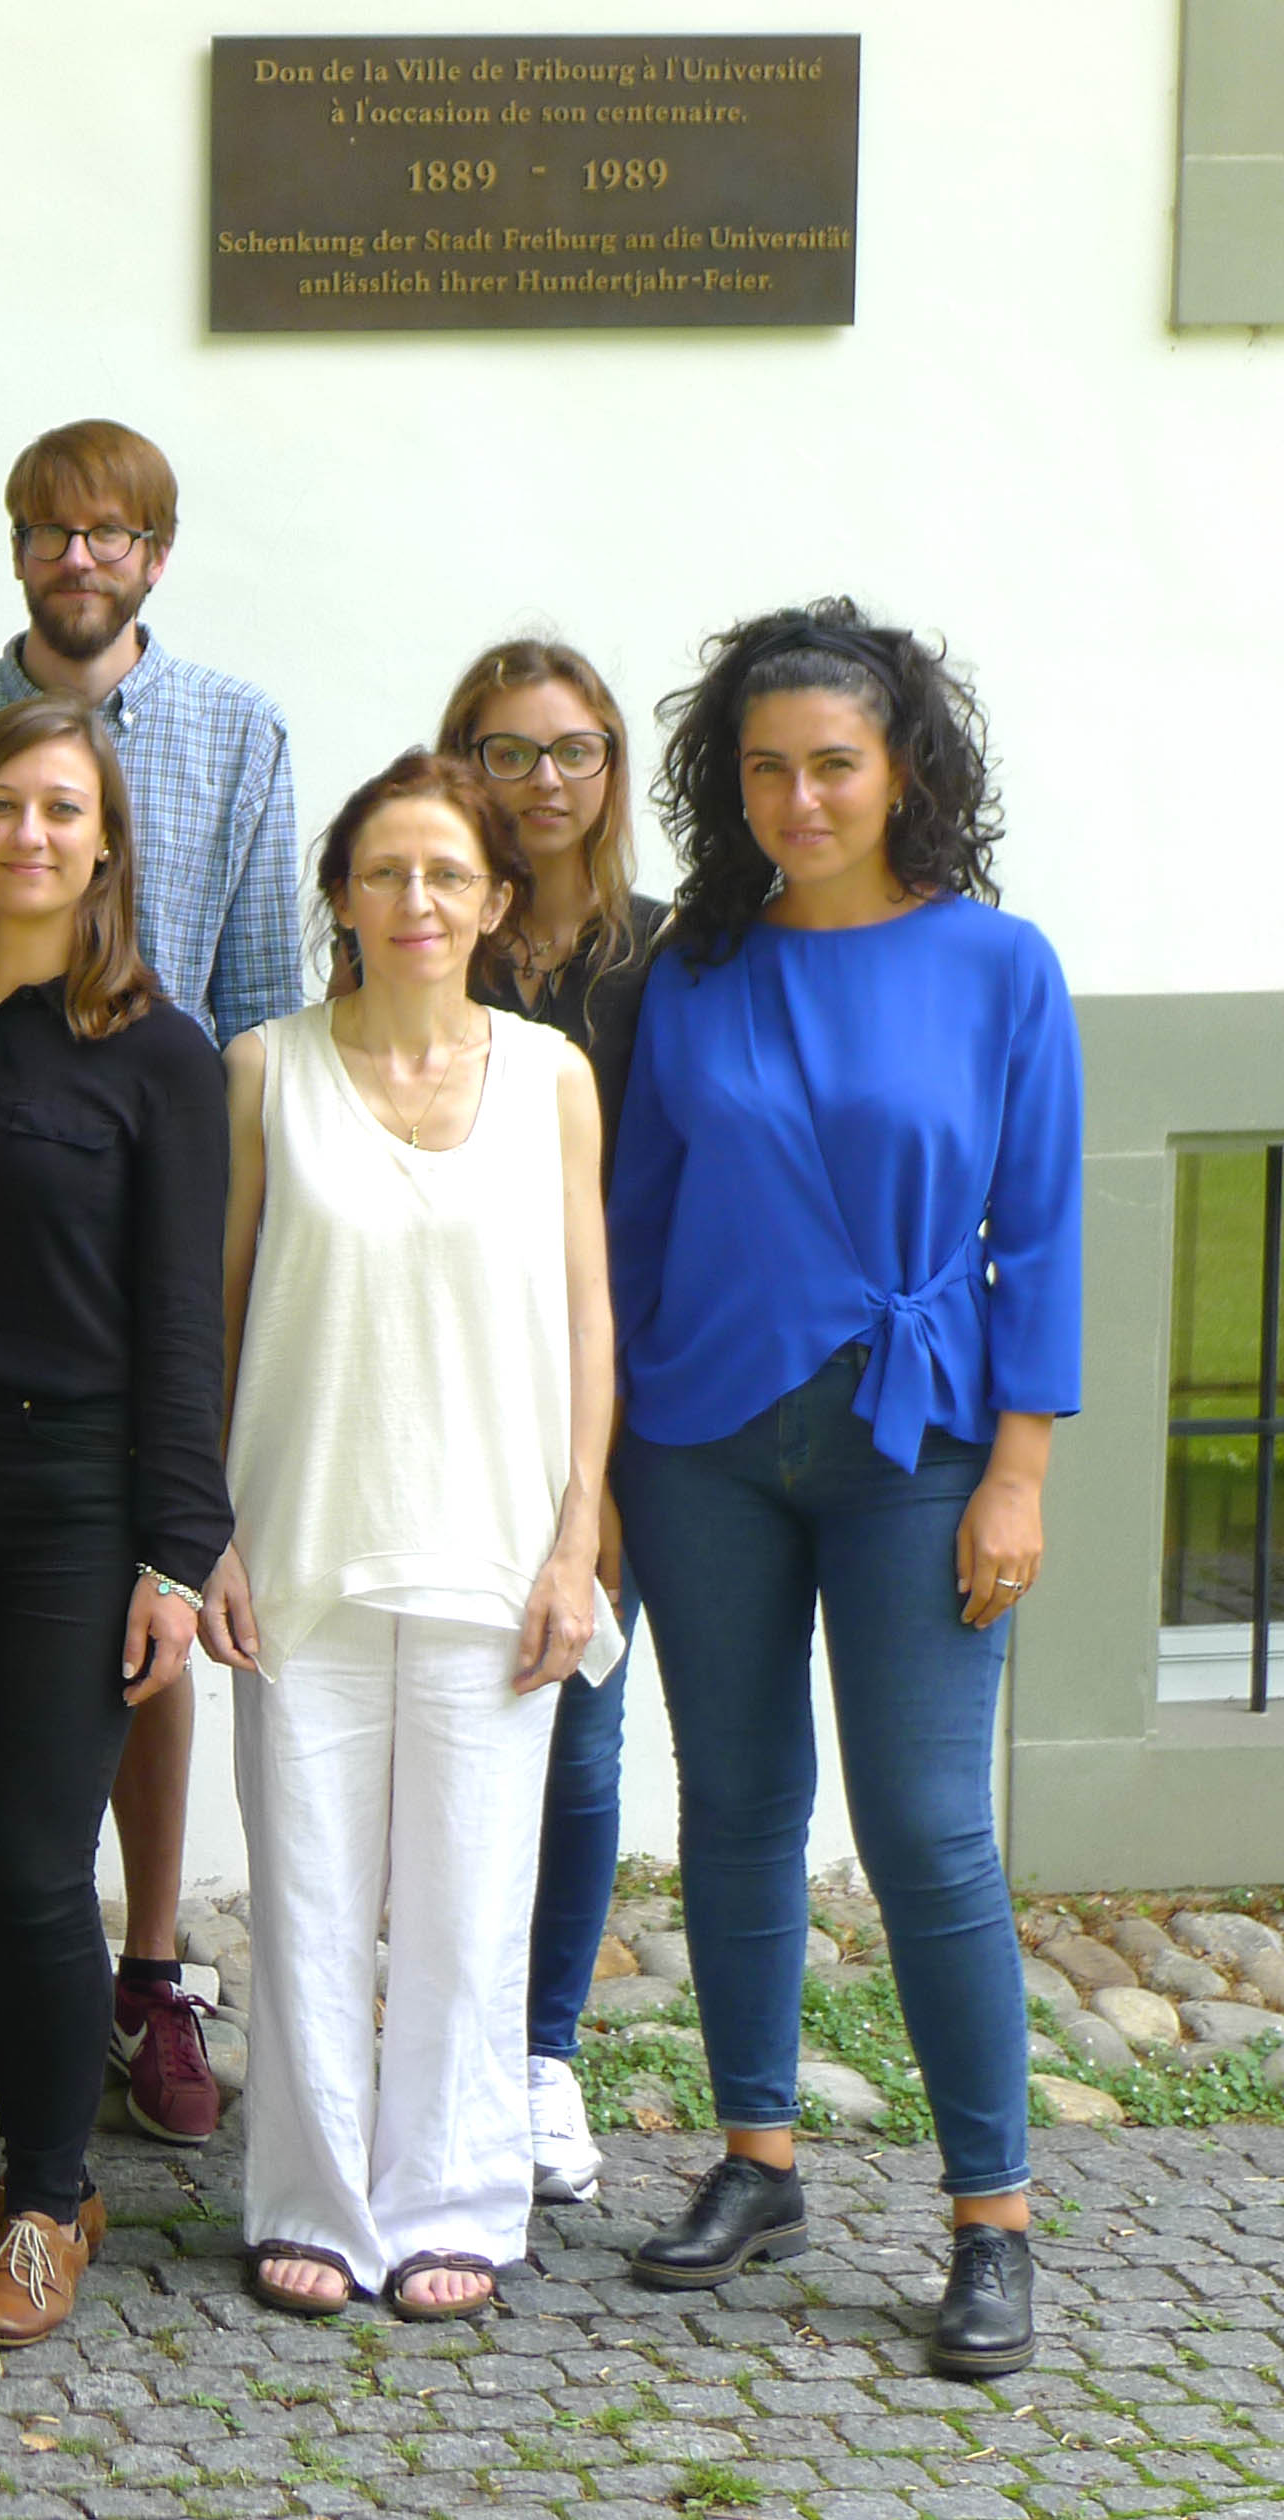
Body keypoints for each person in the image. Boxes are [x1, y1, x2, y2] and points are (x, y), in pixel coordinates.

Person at [609, 601, 1078, 2379]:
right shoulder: (692, 975)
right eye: (763, 768)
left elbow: (1037, 1233)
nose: (798, 797)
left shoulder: (998, 966)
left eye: (833, 764)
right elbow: (634, 1229)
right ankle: (758, 2159)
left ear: (903, 773)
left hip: (921, 1451)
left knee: (930, 1834)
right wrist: (612, 1461)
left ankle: (992, 2219)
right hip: (705, 1442)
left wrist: (1018, 1470)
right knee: (734, 1805)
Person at [0, 420, 299, 2139]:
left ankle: (143, 1982)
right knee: (4, 1836)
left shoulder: (238, 737)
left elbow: (254, 1022)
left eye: (113, 532)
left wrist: (189, 1519)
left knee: (111, 1697)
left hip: (124, 1310)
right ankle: (22, 2015)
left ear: (156, 553)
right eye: (50, 529)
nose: (80, 555)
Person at [203, 750, 614, 2325]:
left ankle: (453, 2195)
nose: (417, 899)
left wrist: (578, 1532)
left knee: (467, 1898)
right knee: (305, 1893)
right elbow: (221, 1317)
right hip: (301, 1547)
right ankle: (310, 2197)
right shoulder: (265, 1071)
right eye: (386, 872)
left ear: (497, 900)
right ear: (343, 900)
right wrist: (217, 1531)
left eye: (448, 873)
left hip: (499, 1554)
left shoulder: (553, 1077)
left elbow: (589, 1316)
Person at [0, 696, 234, 2346]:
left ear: (104, 847)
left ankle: (58, 2200)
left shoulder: (162, 1055)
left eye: (61, 811)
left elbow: (181, 1326)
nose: (27, 834)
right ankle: (22, 2186)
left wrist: (176, 1549)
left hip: (78, 1502)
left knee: (28, 1860)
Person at [425, 640, 667, 2208]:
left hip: (614, 1394)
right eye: (507, 754)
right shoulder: (427, 933)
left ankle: (540, 2053)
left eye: (571, 750)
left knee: (577, 1733)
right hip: (451, 1388)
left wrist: (618, 1464)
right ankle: (438, 2048)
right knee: (444, 1727)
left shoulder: (671, 956)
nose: (543, 784)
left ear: (611, 767)